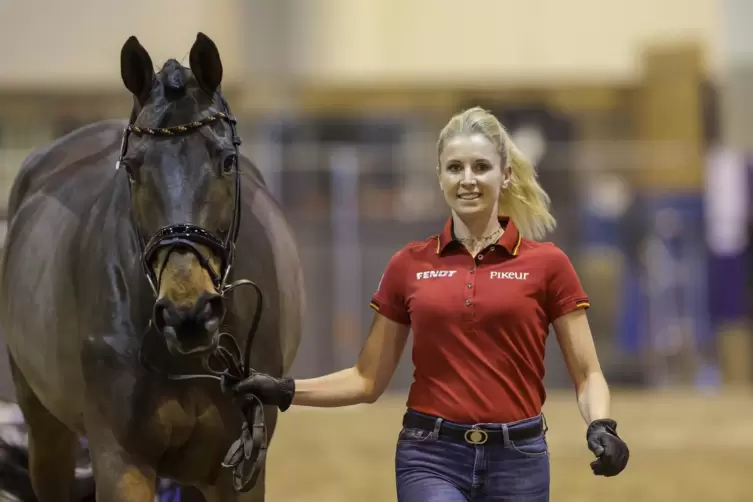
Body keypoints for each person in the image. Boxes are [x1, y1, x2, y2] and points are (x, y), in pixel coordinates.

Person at [223, 106, 629, 501]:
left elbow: (587, 373)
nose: (467, 179)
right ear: (440, 177)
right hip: (430, 457)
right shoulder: (409, 264)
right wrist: (284, 389)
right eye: (455, 168)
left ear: (505, 175)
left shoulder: (548, 264)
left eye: (480, 167)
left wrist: (601, 425)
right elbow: (367, 379)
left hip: (519, 460)